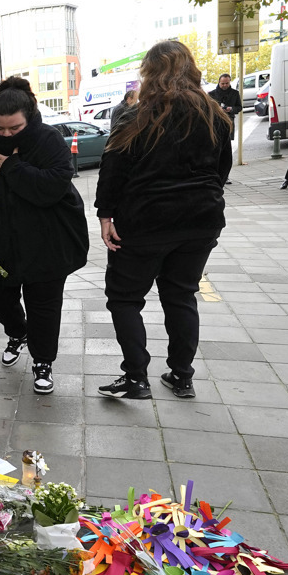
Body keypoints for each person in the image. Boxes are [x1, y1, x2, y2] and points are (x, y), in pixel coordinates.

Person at [95, 41, 232, 401]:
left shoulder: (137, 116)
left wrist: (105, 214)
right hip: (200, 220)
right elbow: (221, 171)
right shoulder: (215, 114)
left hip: (145, 221)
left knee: (125, 298)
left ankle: (136, 376)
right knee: (182, 295)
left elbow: (113, 171)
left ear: (149, 73)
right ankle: (182, 376)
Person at [0, 77, 89, 394]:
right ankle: (18, 332)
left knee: (44, 306)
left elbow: (54, 187)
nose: (5, 134)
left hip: (46, 244)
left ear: (27, 119)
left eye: (13, 129)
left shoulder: (47, 141)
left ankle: (43, 362)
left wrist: (13, 167)